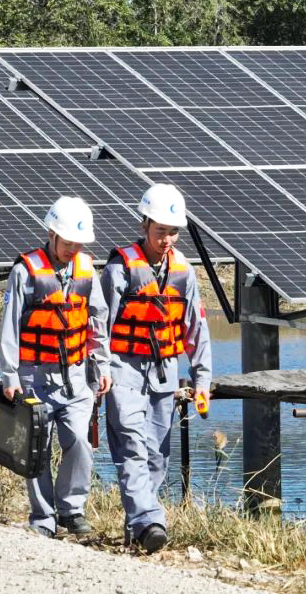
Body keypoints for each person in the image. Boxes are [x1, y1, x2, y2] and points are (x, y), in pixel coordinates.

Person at [101, 183, 212, 553]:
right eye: (161, 230)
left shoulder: (184, 273)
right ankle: (151, 522)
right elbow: (99, 325)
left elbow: (196, 329)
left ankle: (136, 527)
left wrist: (202, 379)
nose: (167, 239)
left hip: (164, 375)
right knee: (131, 446)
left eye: (173, 231)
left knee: (156, 458)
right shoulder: (120, 268)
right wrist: (99, 370)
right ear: (144, 223)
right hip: (123, 372)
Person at [0, 196, 112, 537]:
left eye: (78, 243)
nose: (72, 248)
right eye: (67, 242)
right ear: (51, 234)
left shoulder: (86, 270)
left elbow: (98, 321)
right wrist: (9, 374)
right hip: (34, 374)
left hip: (77, 376)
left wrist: (102, 366)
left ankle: (72, 510)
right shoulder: (25, 272)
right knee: (38, 446)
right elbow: (10, 327)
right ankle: (43, 518)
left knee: (79, 441)